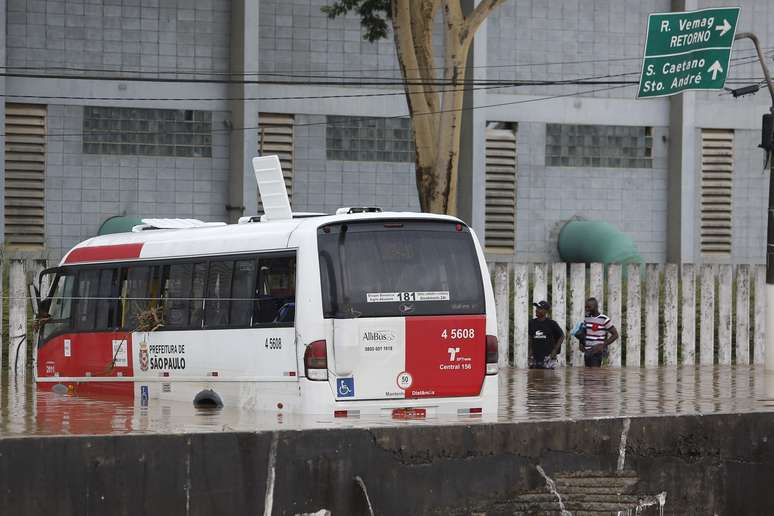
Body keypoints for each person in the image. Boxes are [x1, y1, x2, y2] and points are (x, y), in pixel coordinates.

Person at [580, 297, 619, 367]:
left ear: (595, 307)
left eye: (589, 307)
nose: (587, 309)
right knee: (587, 375)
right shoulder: (586, 318)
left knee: (595, 375)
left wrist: (603, 345)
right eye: (586, 307)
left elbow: (615, 335)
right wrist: (581, 343)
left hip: (597, 352)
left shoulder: (604, 319)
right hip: (587, 351)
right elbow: (584, 332)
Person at [528, 300, 564, 369]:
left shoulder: (552, 323)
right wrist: (530, 354)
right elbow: (530, 338)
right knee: (533, 377)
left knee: (549, 378)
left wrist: (554, 351)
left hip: (548, 358)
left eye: (540, 308)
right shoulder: (531, 323)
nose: (537, 310)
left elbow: (562, 336)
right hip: (535, 358)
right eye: (536, 308)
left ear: (546, 311)